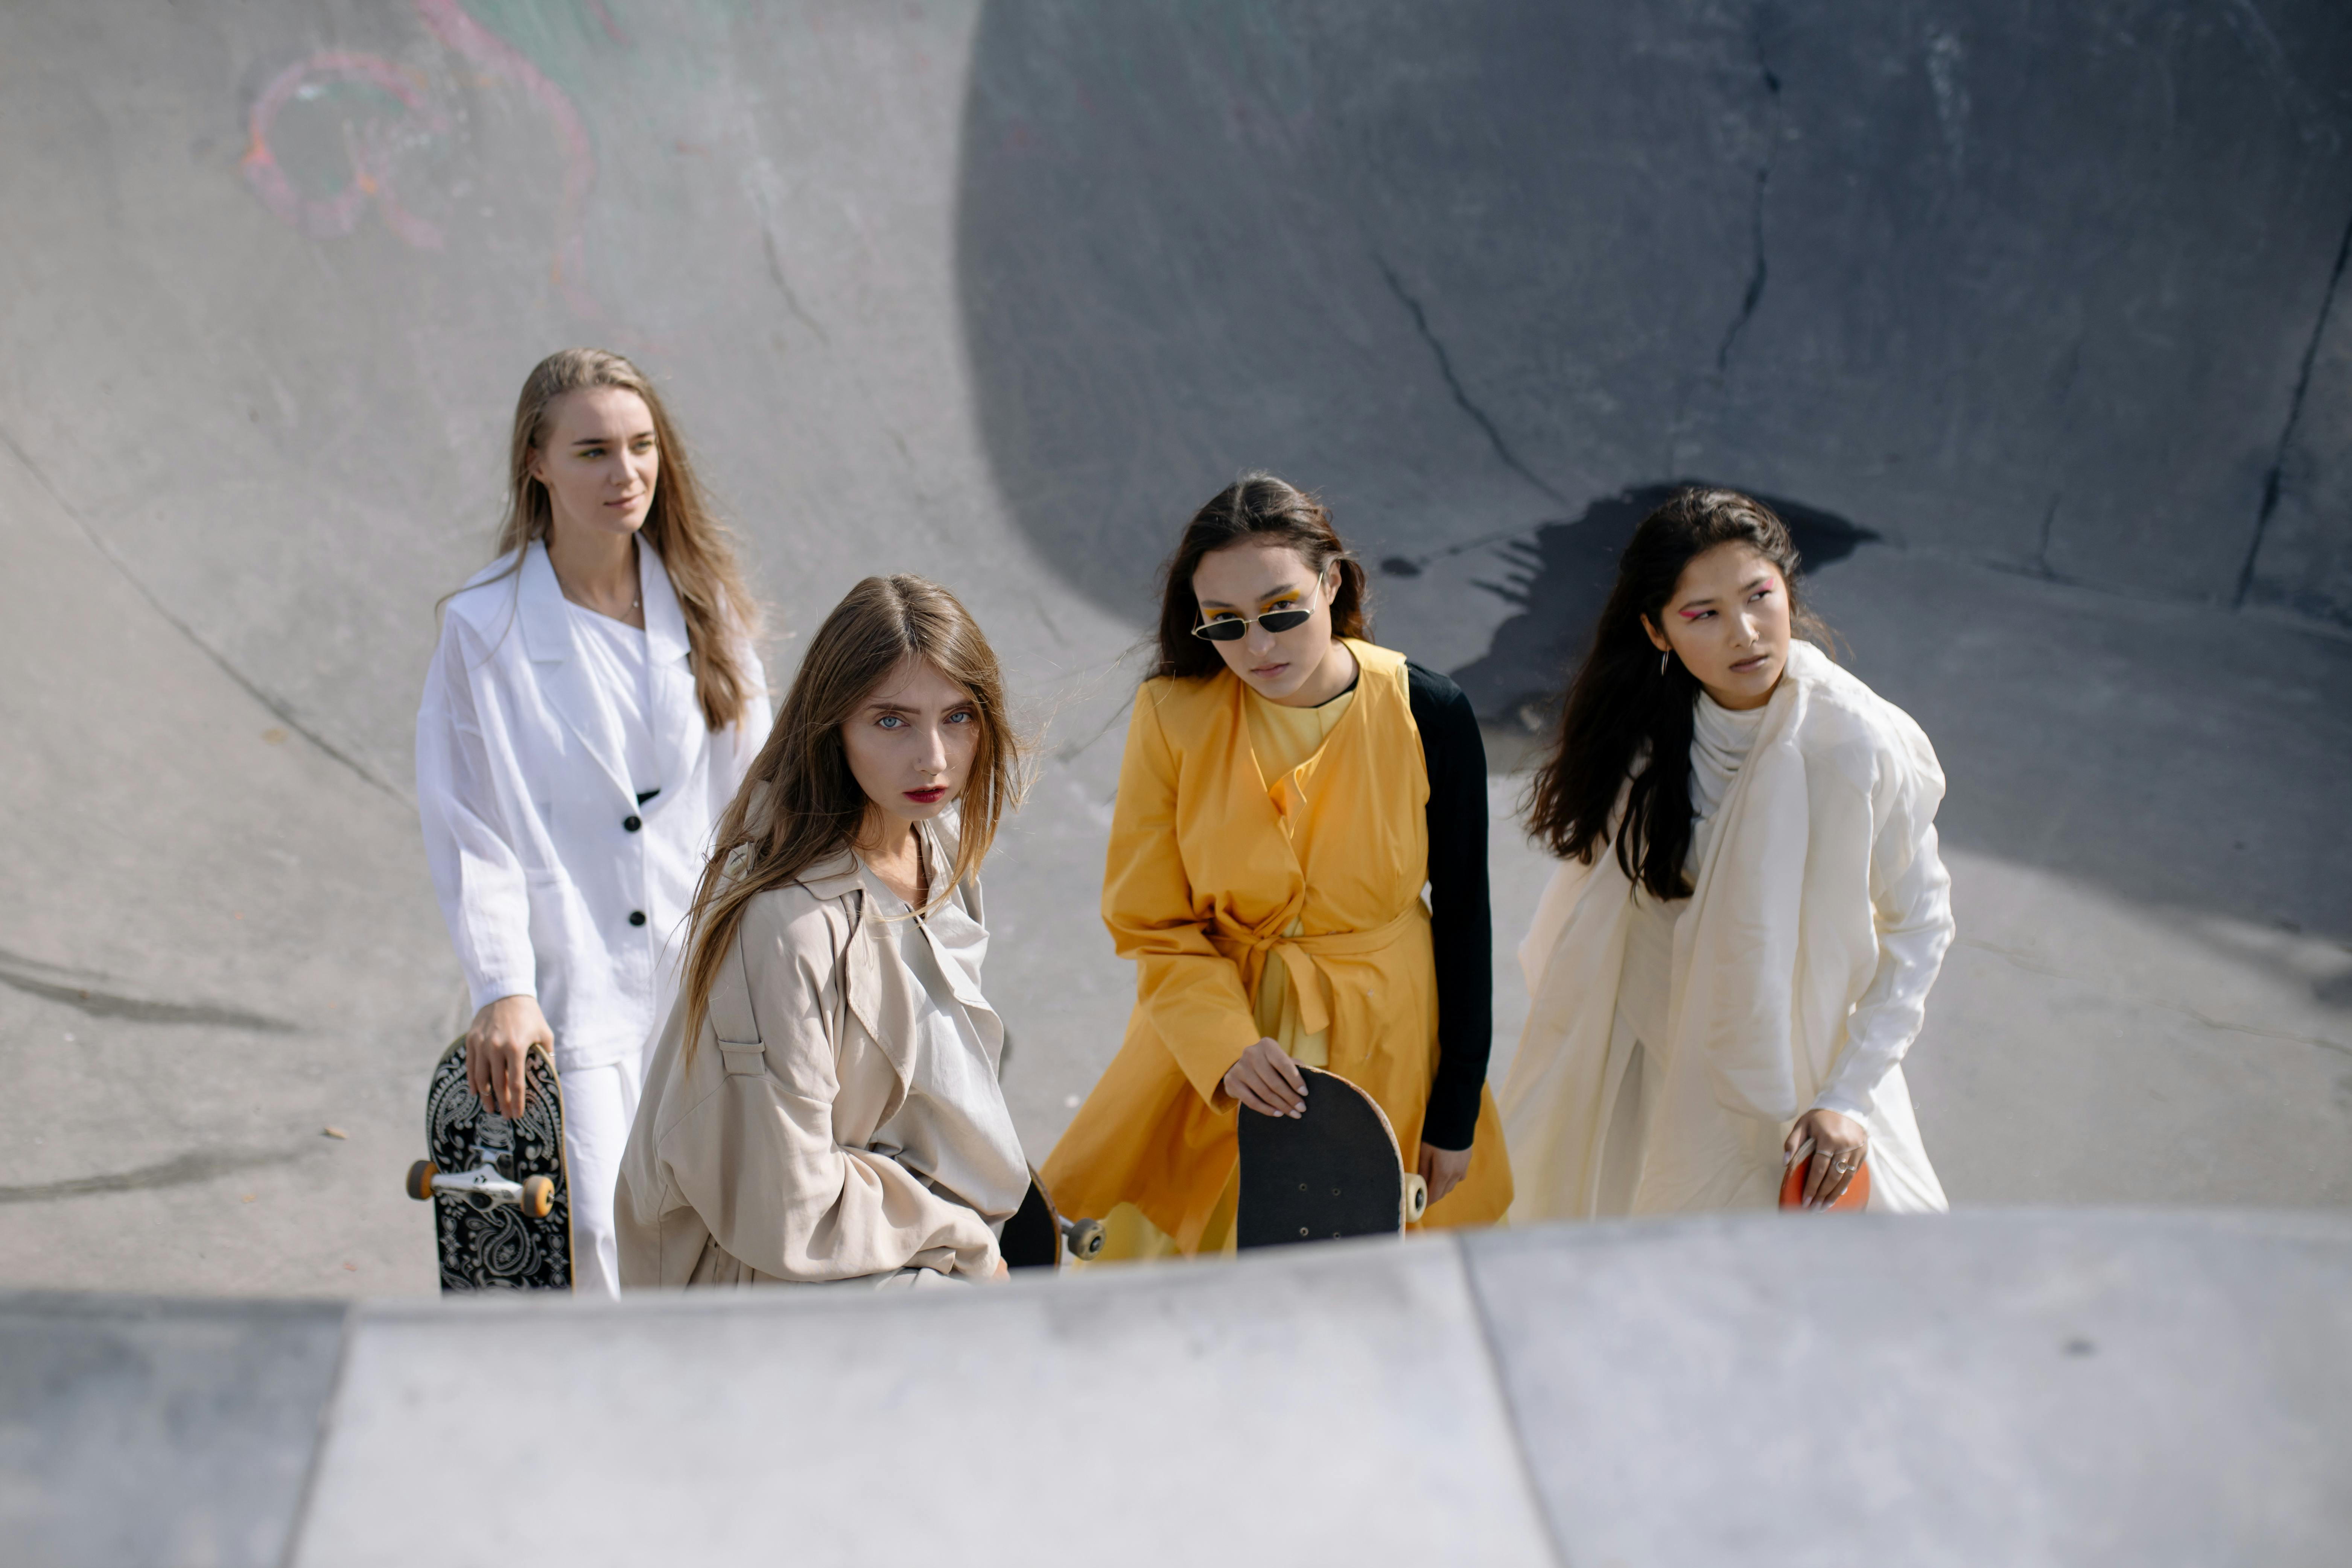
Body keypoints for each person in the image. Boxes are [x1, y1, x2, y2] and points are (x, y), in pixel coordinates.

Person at [1042, 474, 1512, 1258]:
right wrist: (1225, 1046)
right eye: (1222, 623)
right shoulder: (1172, 717)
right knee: (1197, 1275)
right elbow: (1150, 922)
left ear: (1331, 580)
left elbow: (1466, 918)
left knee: (1365, 1278)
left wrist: (1454, 1112)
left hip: (1389, 1040)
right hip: (1214, 1053)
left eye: (1281, 610)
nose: (1257, 647)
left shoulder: (1428, 710)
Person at [415, 348, 770, 1296]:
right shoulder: (483, 629)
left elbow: (759, 800)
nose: (626, 475)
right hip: (576, 993)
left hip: (706, 982)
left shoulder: (709, 608)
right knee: (604, 1248)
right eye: (593, 451)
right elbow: (469, 820)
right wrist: (501, 985)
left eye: (642, 446)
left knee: (726, 1232)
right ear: (535, 461)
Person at [1501, 488, 1953, 1218]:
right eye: (1702, 614)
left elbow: (1919, 926)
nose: (1744, 632)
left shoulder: (1857, 741)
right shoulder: (1646, 731)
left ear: (1786, 590)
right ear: (1656, 631)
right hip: (1650, 1054)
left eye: (1757, 596)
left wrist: (1847, 1097)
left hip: (1792, 1071)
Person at [616, 575, 1030, 1288]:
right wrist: (963, 1242)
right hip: (785, 1287)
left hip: (906, 1246)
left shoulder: (935, 840)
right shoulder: (787, 923)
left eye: (958, 717)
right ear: (832, 726)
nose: (932, 757)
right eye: (891, 721)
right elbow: (789, 1208)